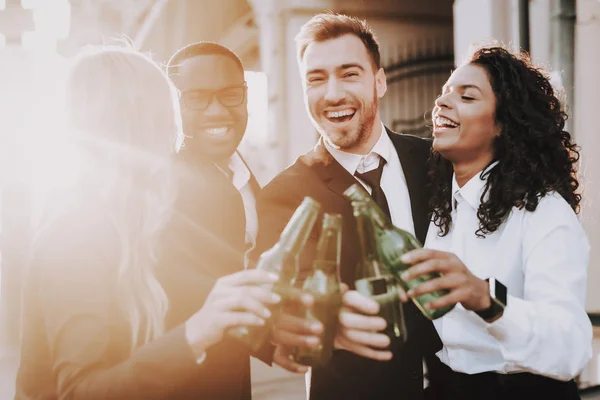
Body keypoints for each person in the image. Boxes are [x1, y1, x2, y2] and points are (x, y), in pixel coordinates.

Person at [14, 44, 289, 400]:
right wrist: (196, 333)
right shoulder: (75, 231)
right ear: (137, 126)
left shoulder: (138, 219)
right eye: (168, 114)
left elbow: (194, 296)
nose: (177, 136)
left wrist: (272, 340)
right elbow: (79, 390)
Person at [251, 13, 443, 400]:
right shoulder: (284, 194)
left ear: (380, 81)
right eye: (316, 79)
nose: (332, 94)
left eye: (349, 73)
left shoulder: (435, 163)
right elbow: (269, 305)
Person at [398, 45, 593, 399]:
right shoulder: (439, 208)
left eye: (467, 96)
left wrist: (487, 297)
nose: (441, 102)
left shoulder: (543, 213)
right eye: (444, 93)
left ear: (504, 123)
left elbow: (571, 347)